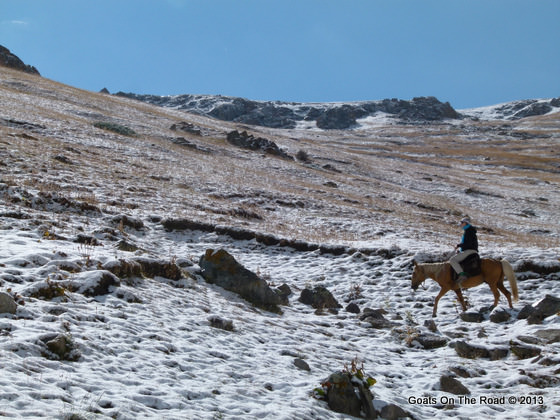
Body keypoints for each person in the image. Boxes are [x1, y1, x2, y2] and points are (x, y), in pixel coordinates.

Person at [449, 216, 478, 285]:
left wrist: (459, 245)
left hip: (470, 250)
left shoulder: (469, 232)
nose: (461, 224)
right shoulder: (469, 231)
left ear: (466, 223)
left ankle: (462, 275)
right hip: (470, 250)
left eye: (462, 222)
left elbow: (468, 243)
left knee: (452, 260)